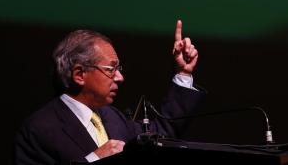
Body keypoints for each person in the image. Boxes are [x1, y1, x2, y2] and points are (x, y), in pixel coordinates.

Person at [13, 20, 206, 165]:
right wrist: (94, 160)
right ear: (80, 74)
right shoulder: (38, 130)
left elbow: (162, 134)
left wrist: (183, 73)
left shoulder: (112, 116)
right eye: (111, 69)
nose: (120, 77)